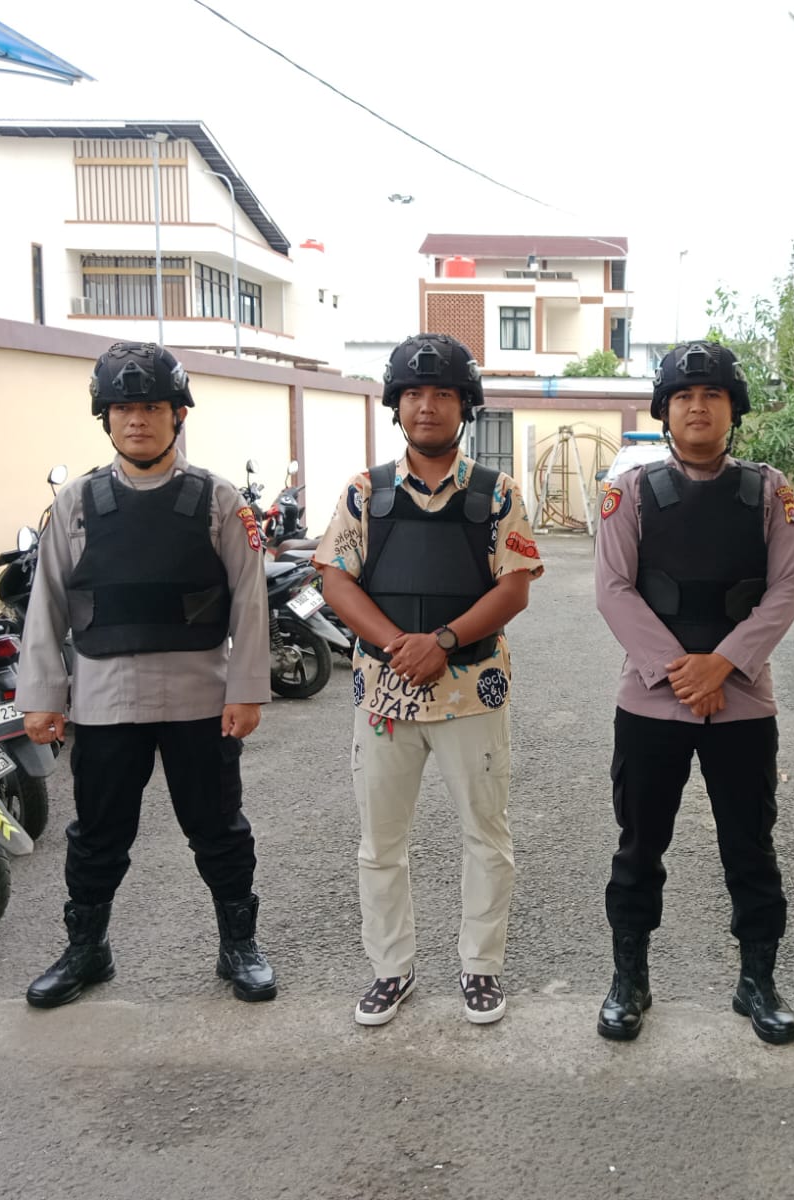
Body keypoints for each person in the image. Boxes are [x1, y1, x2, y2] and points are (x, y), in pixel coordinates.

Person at [17, 341, 276, 1008]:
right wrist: (41, 697)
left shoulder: (220, 501)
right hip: (105, 700)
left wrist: (247, 691)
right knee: (97, 836)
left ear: (178, 414)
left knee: (218, 830)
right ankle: (87, 951)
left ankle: (239, 945)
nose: (138, 419)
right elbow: (46, 603)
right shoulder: (75, 503)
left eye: (154, 407)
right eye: (123, 408)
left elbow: (250, 602)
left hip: (199, 697)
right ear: (105, 417)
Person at [314, 332, 542, 1027]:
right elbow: (335, 579)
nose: (427, 406)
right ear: (396, 405)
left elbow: (514, 587)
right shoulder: (365, 492)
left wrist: (442, 641)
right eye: (414, 393)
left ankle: (481, 967)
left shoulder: (496, 493)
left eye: (443, 393)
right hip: (385, 695)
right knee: (380, 844)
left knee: (486, 837)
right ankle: (391, 969)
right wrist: (398, 646)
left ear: (464, 405)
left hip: (472, 694)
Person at [593, 340, 794, 1045]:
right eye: (683, 396)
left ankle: (758, 982)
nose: (698, 406)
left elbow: (785, 590)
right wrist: (680, 670)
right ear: (664, 411)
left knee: (751, 847)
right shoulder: (631, 492)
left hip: (741, 703)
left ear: (733, 409)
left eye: (712, 395)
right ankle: (629, 979)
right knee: (639, 847)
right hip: (651, 701)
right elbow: (614, 590)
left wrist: (724, 664)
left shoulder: (770, 492)